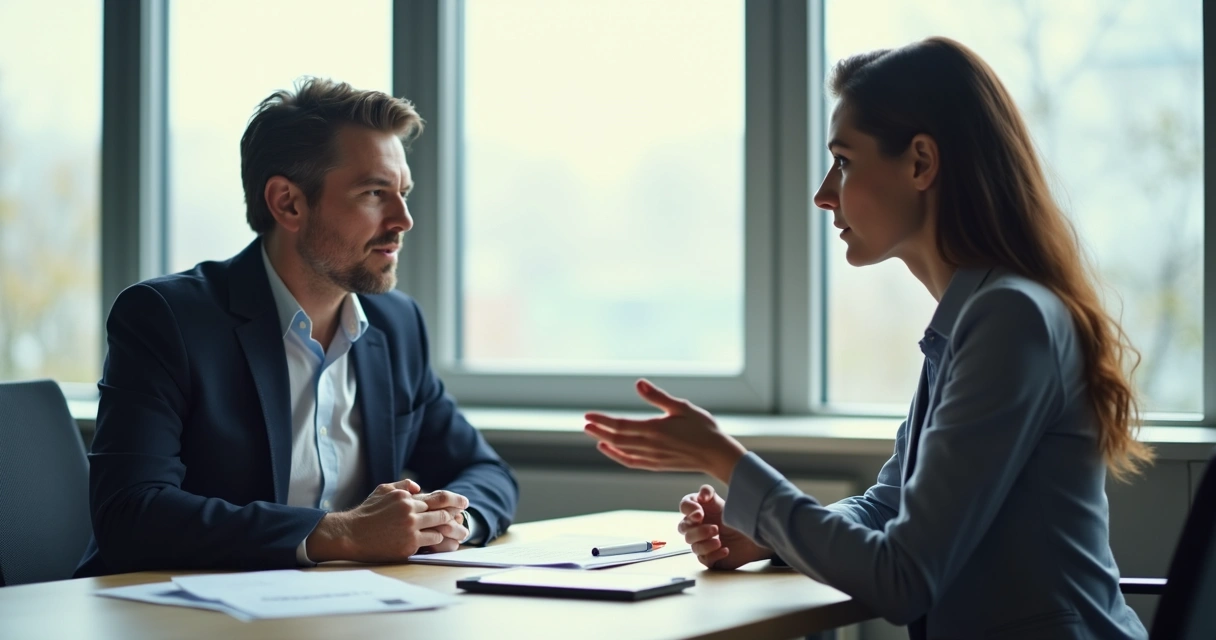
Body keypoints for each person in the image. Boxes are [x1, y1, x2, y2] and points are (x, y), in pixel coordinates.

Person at [583, 37, 1154, 639]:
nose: (824, 192)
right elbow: (890, 508)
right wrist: (763, 534)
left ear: (921, 163)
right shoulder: (974, 317)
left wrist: (724, 458)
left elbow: (901, 578)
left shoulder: (1009, 318)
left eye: (845, 161)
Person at [76, 78, 518, 577]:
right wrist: (341, 533)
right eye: (375, 193)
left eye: (403, 193)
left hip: (347, 612)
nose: (403, 219)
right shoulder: (166, 317)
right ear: (287, 203)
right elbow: (130, 514)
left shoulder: (397, 325)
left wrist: (449, 523)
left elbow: (486, 472)